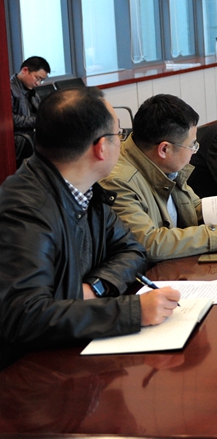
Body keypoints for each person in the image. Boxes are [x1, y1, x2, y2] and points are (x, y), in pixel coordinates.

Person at [0, 87, 179, 366]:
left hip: (73, 350)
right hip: (30, 369)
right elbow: (24, 316)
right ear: (101, 147)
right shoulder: (25, 208)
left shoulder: (87, 190)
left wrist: (93, 289)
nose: (122, 142)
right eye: (119, 134)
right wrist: (132, 311)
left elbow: (131, 250)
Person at [100, 95, 217, 262]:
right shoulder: (117, 181)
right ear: (164, 149)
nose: (195, 151)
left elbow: (194, 207)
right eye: (192, 145)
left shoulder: (165, 164)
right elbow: (149, 244)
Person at [10, 56, 50, 166]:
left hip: (31, 133)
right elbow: (10, 120)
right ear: (25, 70)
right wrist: (39, 121)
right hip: (20, 137)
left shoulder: (31, 91)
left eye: (41, 80)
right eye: (37, 78)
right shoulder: (9, 90)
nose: (38, 83)